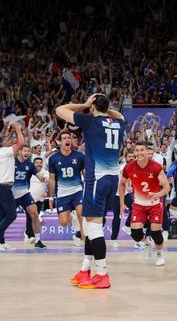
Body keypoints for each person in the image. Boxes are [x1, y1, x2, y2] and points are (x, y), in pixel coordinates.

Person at [56, 93, 126, 289]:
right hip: (112, 180)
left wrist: (84, 104)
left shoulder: (90, 121)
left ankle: (102, 274)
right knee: (89, 225)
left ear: (93, 107)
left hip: (97, 180)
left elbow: (60, 110)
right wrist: (102, 106)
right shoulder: (119, 123)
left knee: (93, 228)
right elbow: (118, 115)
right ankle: (85, 269)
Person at [119, 141, 171, 265]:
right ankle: (147, 243)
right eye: (137, 150)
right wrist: (122, 203)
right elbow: (121, 184)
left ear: (147, 152)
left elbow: (166, 187)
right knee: (135, 233)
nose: (139, 153)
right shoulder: (129, 167)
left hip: (155, 203)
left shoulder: (156, 166)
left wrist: (158, 194)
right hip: (139, 204)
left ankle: (159, 254)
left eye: (142, 150)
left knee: (156, 232)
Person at [0, 121, 24, 251]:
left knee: (1, 216)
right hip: (3, 188)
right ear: (4, 144)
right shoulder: (6, 151)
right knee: (12, 214)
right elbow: (21, 143)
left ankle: (1, 242)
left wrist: (6, 128)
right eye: (8, 139)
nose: (10, 139)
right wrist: (18, 129)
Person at [48, 131, 85, 246]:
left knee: (81, 214)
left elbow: (85, 174)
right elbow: (52, 179)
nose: (67, 140)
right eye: (64, 138)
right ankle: (72, 217)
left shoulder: (79, 156)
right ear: (59, 142)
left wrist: (89, 189)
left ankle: (85, 242)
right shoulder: (53, 159)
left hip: (77, 190)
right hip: (63, 193)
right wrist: (51, 197)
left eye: (69, 138)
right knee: (64, 222)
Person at [13, 145, 48, 248]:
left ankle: (37, 240)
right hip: (12, 194)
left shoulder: (30, 165)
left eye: (28, 151)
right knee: (7, 217)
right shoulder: (12, 162)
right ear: (19, 151)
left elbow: (39, 176)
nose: (26, 153)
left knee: (34, 214)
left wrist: (43, 179)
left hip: (25, 193)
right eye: (24, 151)